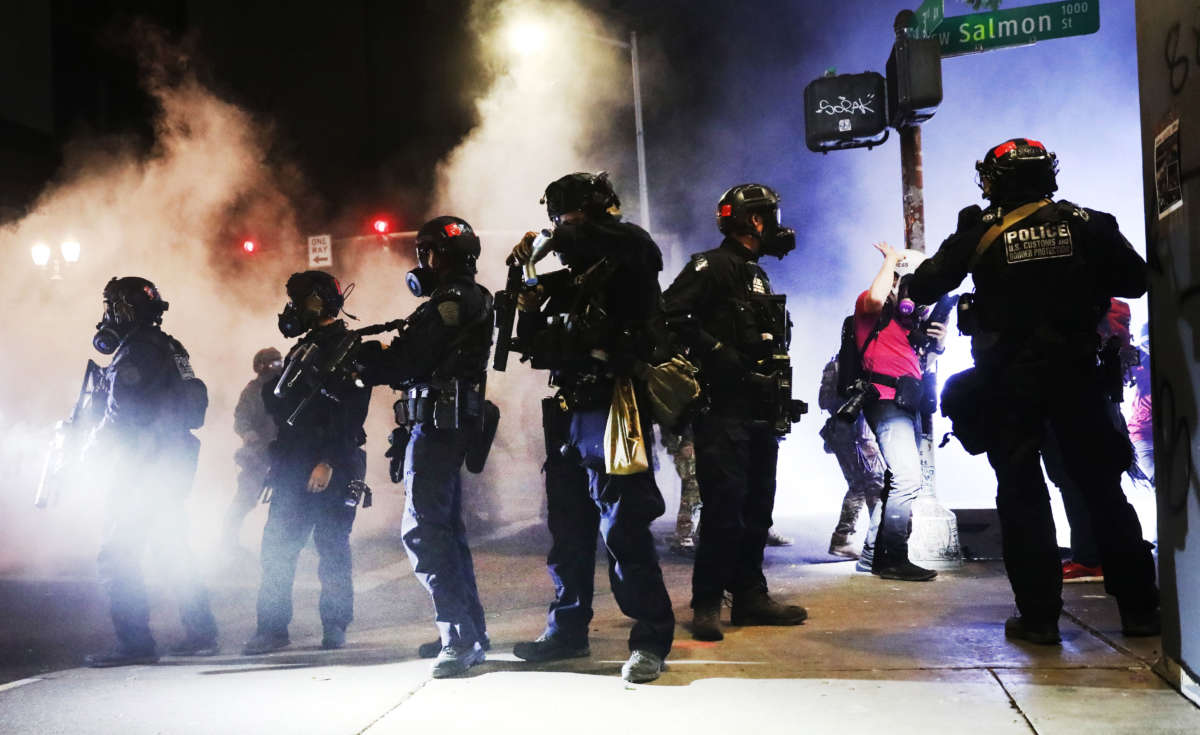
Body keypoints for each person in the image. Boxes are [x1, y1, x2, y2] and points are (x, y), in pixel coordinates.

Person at [910, 137, 1160, 644]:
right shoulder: (1089, 223)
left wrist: (964, 240)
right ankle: (1139, 612)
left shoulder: (982, 230)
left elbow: (921, 287)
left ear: (994, 181)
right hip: (1078, 380)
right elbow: (1136, 280)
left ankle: (1040, 619)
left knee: (1022, 497)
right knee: (1104, 493)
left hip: (1008, 384)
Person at [507, 171, 675, 684]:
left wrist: (549, 239)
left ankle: (649, 640)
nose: (560, 225)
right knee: (569, 530)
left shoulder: (630, 250)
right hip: (567, 409)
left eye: (567, 214)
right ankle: (567, 631)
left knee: (624, 528)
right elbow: (535, 347)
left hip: (614, 405)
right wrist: (529, 292)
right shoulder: (570, 279)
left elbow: (615, 246)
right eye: (556, 216)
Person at [662, 183, 809, 642]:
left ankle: (750, 597)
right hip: (722, 411)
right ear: (757, 221)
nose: (779, 227)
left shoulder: (755, 273)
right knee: (725, 510)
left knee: (757, 510)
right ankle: (706, 603)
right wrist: (717, 351)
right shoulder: (712, 266)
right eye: (772, 217)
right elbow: (669, 315)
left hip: (760, 410)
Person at [368, 215, 494, 678]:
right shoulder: (469, 296)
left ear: (438, 255)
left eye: (426, 252)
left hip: (439, 426)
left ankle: (458, 638)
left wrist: (371, 361)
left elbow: (410, 359)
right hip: (446, 424)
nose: (422, 261)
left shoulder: (450, 300)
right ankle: (469, 632)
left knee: (422, 531)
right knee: (446, 533)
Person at [83, 276, 218, 666]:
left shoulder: (135, 351)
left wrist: (93, 445)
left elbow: (121, 411)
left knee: (118, 555)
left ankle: (135, 644)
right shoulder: (170, 347)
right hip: (170, 463)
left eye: (111, 307)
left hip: (142, 468)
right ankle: (201, 633)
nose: (107, 316)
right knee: (172, 548)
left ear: (123, 310)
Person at [243, 271, 374, 655]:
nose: (291, 309)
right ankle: (271, 629)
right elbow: (280, 408)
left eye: (298, 300)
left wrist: (328, 461)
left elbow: (352, 414)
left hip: (329, 464)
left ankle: (334, 626)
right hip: (293, 465)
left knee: (331, 547)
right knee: (277, 548)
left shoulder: (350, 348)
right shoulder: (304, 349)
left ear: (316, 302)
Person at [848, 245, 944, 581]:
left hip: (907, 403)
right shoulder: (872, 308)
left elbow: (921, 368)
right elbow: (875, 298)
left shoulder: (908, 325)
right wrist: (891, 262)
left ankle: (874, 556)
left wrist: (937, 344)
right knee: (907, 479)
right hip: (885, 401)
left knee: (896, 481)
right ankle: (893, 560)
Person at [817, 355, 885, 559]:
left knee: (859, 485)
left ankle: (844, 539)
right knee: (874, 484)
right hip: (858, 434)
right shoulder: (861, 363)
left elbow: (824, 402)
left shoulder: (834, 364)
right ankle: (880, 543)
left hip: (842, 432)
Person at [221, 347, 283, 553]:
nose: (277, 367)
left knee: (289, 499)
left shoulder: (286, 387)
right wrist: (248, 433)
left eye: (279, 362)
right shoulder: (252, 391)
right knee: (245, 498)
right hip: (260, 453)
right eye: (273, 363)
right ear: (260, 366)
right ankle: (228, 542)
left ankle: (288, 544)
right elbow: (241, 419)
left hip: (284, 451)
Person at [662, 428, 701, 556]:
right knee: (692, 490)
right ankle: (684, 539)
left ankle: (688, 537)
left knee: (695, 489)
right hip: (687, 439)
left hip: (690, 439)